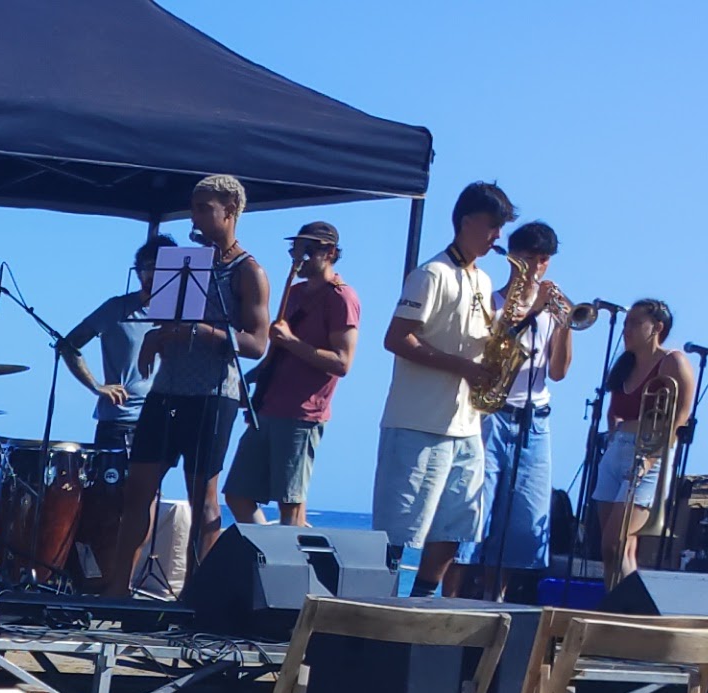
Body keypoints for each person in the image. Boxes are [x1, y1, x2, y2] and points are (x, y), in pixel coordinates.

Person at [102, 174, 271, 594]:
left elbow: (257, 343)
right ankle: (116, 592)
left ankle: (195, 599)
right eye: (192, 208)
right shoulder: (184, 264)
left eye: (203, 209)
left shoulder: (248, 271)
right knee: (137, 491)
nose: (194, 217)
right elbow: (165, 321)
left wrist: (203, 332)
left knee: (204, 499)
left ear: (230, 211)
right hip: (166, 390)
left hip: (213, 395)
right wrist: (156, 337)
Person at [373, 179, 514, 598]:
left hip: (466, 424)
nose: (497, 236)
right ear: (467, 221)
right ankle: (379, 609)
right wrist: (461, 367)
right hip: (418, 421)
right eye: (492, 225)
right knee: (398, 531)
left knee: (455, 527)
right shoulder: (431, 274)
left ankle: (419, 605)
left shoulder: (483, 280)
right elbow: (396, 338)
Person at [465, 220, 579, 598]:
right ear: (514, 258)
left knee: (522, 521)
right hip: (493, 415)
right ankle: (459, 595)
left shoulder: (551, 311)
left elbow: (558, 372)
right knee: (477, 511)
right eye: (530, 258)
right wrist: (533, 311)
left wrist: (564, 325)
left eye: (544, 260)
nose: (537, 267)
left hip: (535, 420)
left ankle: (497, 600)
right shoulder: (493, 303)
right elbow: (491, 356)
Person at [229, 220, 357, 527]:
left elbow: (342, 363)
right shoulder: (295, 292)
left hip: (302, 414)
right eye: (295, 250)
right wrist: (248, 380)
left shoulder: (341, 298)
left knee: (290, 504)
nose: (298, 258)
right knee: (237, 494)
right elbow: (277, 352)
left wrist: (291, 341)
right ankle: (265, 549)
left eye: (307, 251)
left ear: (329, 253)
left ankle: (288, 552)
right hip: (269, 408)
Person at [588, 300, 694, 584]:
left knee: (615, 542)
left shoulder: (672, 361)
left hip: (649, 453)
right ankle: (618, 602)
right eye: (626, 323)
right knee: (614, 550)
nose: (627, 329)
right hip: (617, 450)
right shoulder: (625, 364)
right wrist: (613, 436)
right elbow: (614, 410)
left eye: (635, 323)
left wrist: (651, 456)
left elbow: (681, 416)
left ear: (657, 327)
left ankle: (631, 604)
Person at [53, 244, 159, 453]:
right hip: (121, 421)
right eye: (149, 267)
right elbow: (67, 345)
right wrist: (96, 386)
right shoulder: (116, 308)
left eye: (162, 267)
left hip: (161, 419)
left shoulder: (183, 314)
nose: (154, 274)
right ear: (138, 272)